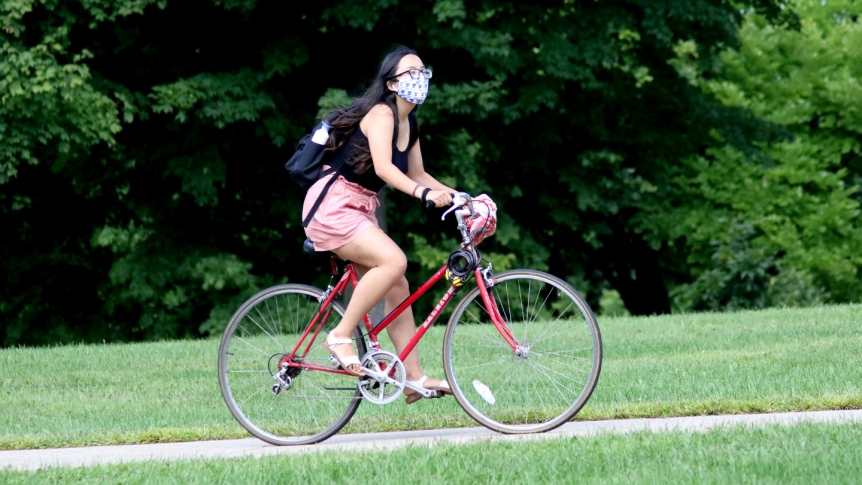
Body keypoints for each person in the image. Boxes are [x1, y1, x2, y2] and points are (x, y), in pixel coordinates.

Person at [302, 46, 455, 404]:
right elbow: (387, 169)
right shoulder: (382, 114)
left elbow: (418, 173)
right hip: (333, 206)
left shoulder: (409, 122)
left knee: (397, 283)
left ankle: (414, 379)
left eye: (423, 72)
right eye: (411, 73)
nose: (420, 78)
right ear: (391, 83)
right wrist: (422, 194)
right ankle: (340, 335)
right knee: (394, 261)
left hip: (358, 208)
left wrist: (464, 197)